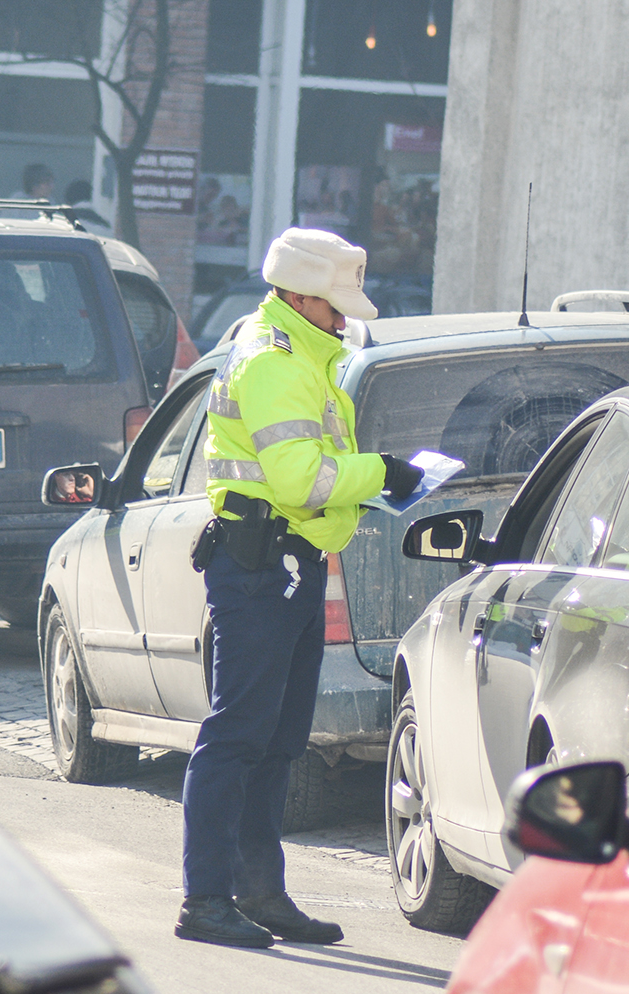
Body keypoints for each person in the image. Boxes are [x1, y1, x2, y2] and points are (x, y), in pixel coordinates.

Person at [177, 227, 423, 949]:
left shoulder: (298, 353)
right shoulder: (275, 360)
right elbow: (297, 478)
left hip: (286, 563)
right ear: (296, 296)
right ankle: (206, 899)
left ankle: (259, 891)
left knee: (277, 739)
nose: (345, 321)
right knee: (238, 735)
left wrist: (372, 476)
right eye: (335, 307)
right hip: (261, 567)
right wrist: (382, 472)